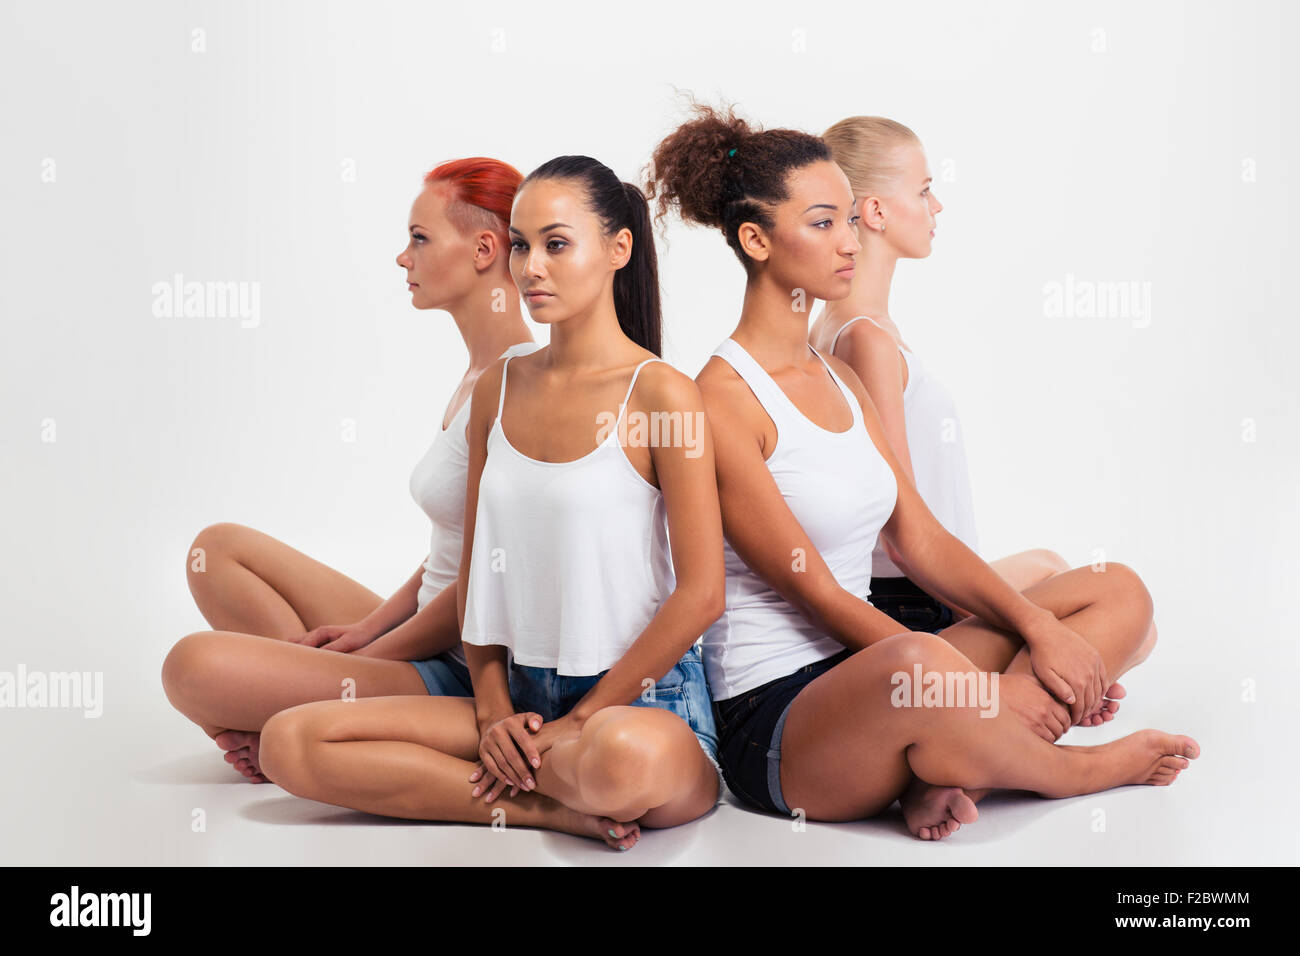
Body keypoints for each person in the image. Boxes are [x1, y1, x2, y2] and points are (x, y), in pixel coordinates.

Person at [643, 101, 1196, 840]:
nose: (848, 242)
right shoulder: (720, 398)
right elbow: (814, 593)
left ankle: (953, 759)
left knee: (1115, 588)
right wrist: (978, 691)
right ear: (756, 239)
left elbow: (923, 540)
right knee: (915, 657)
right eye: (822, 223)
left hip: (879, 673)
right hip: (779, 722)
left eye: (848, 218)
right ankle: (1067, 768)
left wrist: (1040, 628)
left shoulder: (837, 381)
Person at [256, 155, 724, 851]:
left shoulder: (663, 394)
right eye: (521, 245)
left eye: (556, 245)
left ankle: (527, 774)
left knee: (623, 762)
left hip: (639, 703)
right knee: (290, 739)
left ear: (617, 249)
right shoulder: (498, 388)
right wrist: (494, 711)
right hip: (518, 694)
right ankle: (550, 808)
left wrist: (582, 718)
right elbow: (478, 576)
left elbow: (701, 595)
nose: (532, 267)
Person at [162, 158, 536, 782]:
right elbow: (454, 551)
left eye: (419, 238)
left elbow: (484, 586)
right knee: (219, 550)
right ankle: (299, 708)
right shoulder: (477, 374)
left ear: (483, 249)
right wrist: (364, 631)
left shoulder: (521, 383)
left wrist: (372, 654)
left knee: (190, 668)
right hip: (424, 631)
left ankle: (308, 712)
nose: (402, 258)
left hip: (466, 668)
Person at [813, 116, 1156, 723]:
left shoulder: (849, 323)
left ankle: (1026, 703)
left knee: (1051, 564)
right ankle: (1000, 733)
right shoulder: (864, 337)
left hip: (922, 590)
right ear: (874, 211)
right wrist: (1014, 624)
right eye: (922, 190)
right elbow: (900, 528)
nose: (937, 204)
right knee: (1128, 615)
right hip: (913, 605)